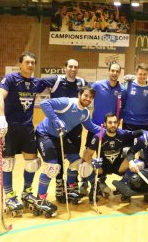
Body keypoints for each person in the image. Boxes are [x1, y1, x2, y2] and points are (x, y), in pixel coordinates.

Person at [0, 52, 47, 215]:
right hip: (10, 128)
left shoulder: (37, 83)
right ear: (20, 64)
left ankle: (27, 192)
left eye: (33, 63)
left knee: (32, 164)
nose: (30, 65)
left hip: (27, 128)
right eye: (27, 62)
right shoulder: (10, 79)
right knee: (8, 164)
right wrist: (1, 117)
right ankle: (10, 195)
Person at [34, 86, 101, 216]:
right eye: (86, 96)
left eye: (91, 97)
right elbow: (44, 103)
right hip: (45, 134)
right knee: (52, 167)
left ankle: (70, 189)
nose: (88, 99)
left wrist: (108, 130)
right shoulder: (68, 102)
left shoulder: (85, 113)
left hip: (60, 138)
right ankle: (40, 200)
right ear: (80, 94)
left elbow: (91, 127)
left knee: (77, 162)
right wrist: (56, 120)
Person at [41, 59, 88, 203]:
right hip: (59, 128)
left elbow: (95, 91)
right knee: (58, 161)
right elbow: (35, 83)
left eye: (76, 67)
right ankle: (59, 187)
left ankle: (71, 187)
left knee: (74, 158)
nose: (73, 69)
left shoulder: (82, 82)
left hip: (75, 129)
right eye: (70, 66)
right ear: (65, 68)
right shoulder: (56, 80)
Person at [81, 62, 126, 195]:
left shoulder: (122, 90)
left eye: (117, 71)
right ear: (108, 71)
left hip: (110, 130)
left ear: (119, 73)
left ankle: (101, 181)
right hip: (95, 128)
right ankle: (83, 181)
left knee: (104, 156)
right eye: (112, 70)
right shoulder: (97, 85)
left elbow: (122, 109)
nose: (114, 73)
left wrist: (117, 123)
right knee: (87, 153)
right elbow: (85, 98)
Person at [80, 113, 142, 202]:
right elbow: (87, 155)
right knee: (85, 164)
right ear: (105, 124)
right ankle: (94, 186)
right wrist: (94, 163)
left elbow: (137, 133)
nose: (113, 125)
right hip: (102, 166)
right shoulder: (98, 137)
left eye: (115, 122)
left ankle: (124, 185)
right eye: (110, 122)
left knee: (137, 164)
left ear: (118, 123)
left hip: (117, 165)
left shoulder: (123, 134)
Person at [122, 63, 148, 131]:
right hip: (128, 122)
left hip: (144, 124)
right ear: (136, 73)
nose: (142, 76)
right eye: (140, 74)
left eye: (144, 74)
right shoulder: (128, 84)